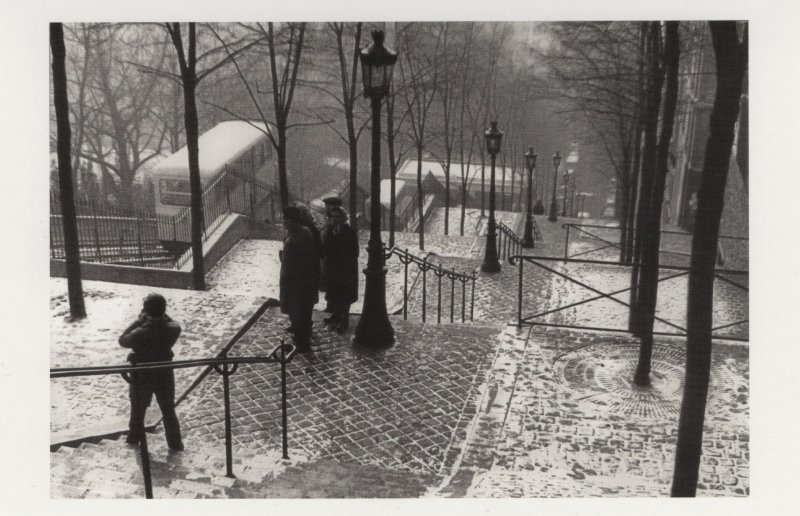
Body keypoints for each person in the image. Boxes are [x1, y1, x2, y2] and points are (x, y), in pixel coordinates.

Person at [119, 293, 184, 451]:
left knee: (138, 408)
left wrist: (139, 320)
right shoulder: (174, 328)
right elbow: (169, 321)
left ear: (146, 311)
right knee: (168, 409)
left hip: (143, 374)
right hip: (164, 371)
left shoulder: (141, 332)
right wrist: (159, 315)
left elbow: (122, 340)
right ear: (163, 309)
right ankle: (175, 444)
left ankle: (134, 439)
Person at [280, 206, 318, 352]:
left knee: (296, 308)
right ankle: (303, 332)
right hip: (306, 277)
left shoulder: (294, 238)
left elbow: (293, 263)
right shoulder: (305, 232)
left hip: (294, 280)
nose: (283, 222)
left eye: (285, 219)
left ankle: (301, 339)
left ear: (290, 221)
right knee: (304, 307)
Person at [320, 206, 359, 332]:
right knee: (335, 293)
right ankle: (336, 316)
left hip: (346, 269)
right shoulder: (329, 231)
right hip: (333, 268)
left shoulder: (349, 232)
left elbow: (354, 252)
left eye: (337, 217)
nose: (335, 219)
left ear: (342, 218)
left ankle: (344, 320)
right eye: (332, 217)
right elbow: (325, 248)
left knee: (345, 295)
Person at [319, 197, 344, 312]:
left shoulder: (337, 220)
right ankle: (330, 305)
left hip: (334, 259)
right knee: (330, 282)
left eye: (327, 206)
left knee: (334, 283)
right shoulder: (330, 219)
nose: (325, 208)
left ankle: (333, 307)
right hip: (328, 258)